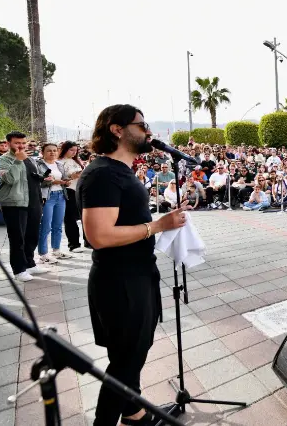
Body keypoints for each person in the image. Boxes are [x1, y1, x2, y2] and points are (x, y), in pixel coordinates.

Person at [78, 104, 188, 426]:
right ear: (116, 129)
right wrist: (157, 226)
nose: (149, 131)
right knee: (125, 363)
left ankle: (135, 413)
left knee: (131, 354)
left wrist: (160, 223)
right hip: (121, 281)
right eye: (142, 125)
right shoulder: (102, 173)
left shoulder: (119, 172)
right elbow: (98, 235)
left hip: (135, 274)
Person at [0, 131, 49, 282]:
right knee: (18, 238)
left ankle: (30, 263)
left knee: (32, 235)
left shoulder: (29, 159)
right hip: (15, 203)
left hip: (33, 202)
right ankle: (19, 270)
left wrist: (45, 179)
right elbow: (10, 179)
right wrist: (18, 161)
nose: (21, 146)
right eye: (17, 143)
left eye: (23, 143)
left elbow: (34, 178)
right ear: (8, 143)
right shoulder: (4, 160)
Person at [36, 143, 73, 263]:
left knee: (57, 225)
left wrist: (66, 181)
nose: (52, 153)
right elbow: (38, 181)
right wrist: (55, 182)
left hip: (60, 196)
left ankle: (56, 250)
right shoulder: (38, 165)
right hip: (47, 196)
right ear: (43, 152)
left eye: (54, 150)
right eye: (49, 151)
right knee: (45, 226)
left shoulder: (59, 164)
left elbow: (65, 178)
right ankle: (43, 254)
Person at [58, 141, 84, 251]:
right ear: (65, 149)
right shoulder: (60, 162)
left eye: (75, 150)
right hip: (68, 190)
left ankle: (88, 241)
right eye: (71, 150)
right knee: (70, 218)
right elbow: (65, 177)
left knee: (84, 217)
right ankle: (73, 243)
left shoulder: (76, 161)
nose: (74, 152)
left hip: (79, 190)